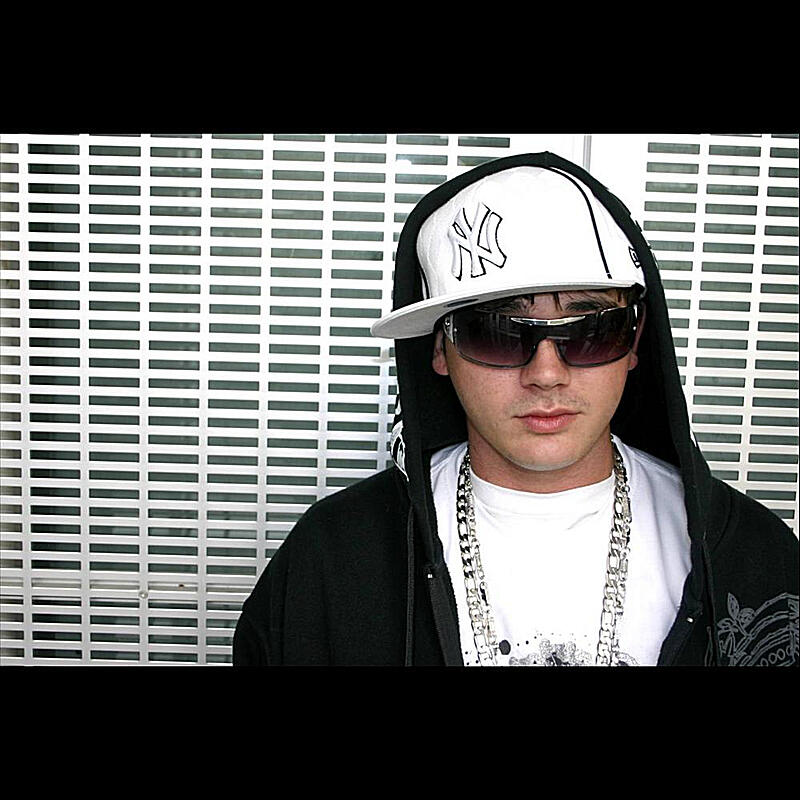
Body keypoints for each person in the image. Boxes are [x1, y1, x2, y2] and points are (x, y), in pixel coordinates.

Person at [233, 151, 798, 666]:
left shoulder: (752, 558)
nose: (546, 373)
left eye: (590, 329)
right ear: (440, 349)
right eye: (497, 332)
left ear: (634, 340)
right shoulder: (333, 559)